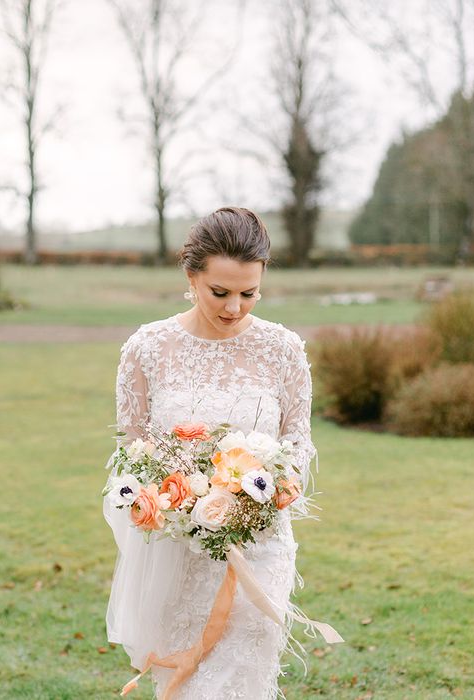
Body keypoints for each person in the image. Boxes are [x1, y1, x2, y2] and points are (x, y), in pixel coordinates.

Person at [103, 206, 318, 699]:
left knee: (243, 674)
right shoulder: (148, 348)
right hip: (177, 551)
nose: (234, 307)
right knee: (187, 683)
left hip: (259, 543)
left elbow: (298, 441)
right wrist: (171, 500)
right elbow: (130, 453)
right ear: (191, 275)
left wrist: (269, 491)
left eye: (250, 293)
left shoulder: (282, 349)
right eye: (220, 292)